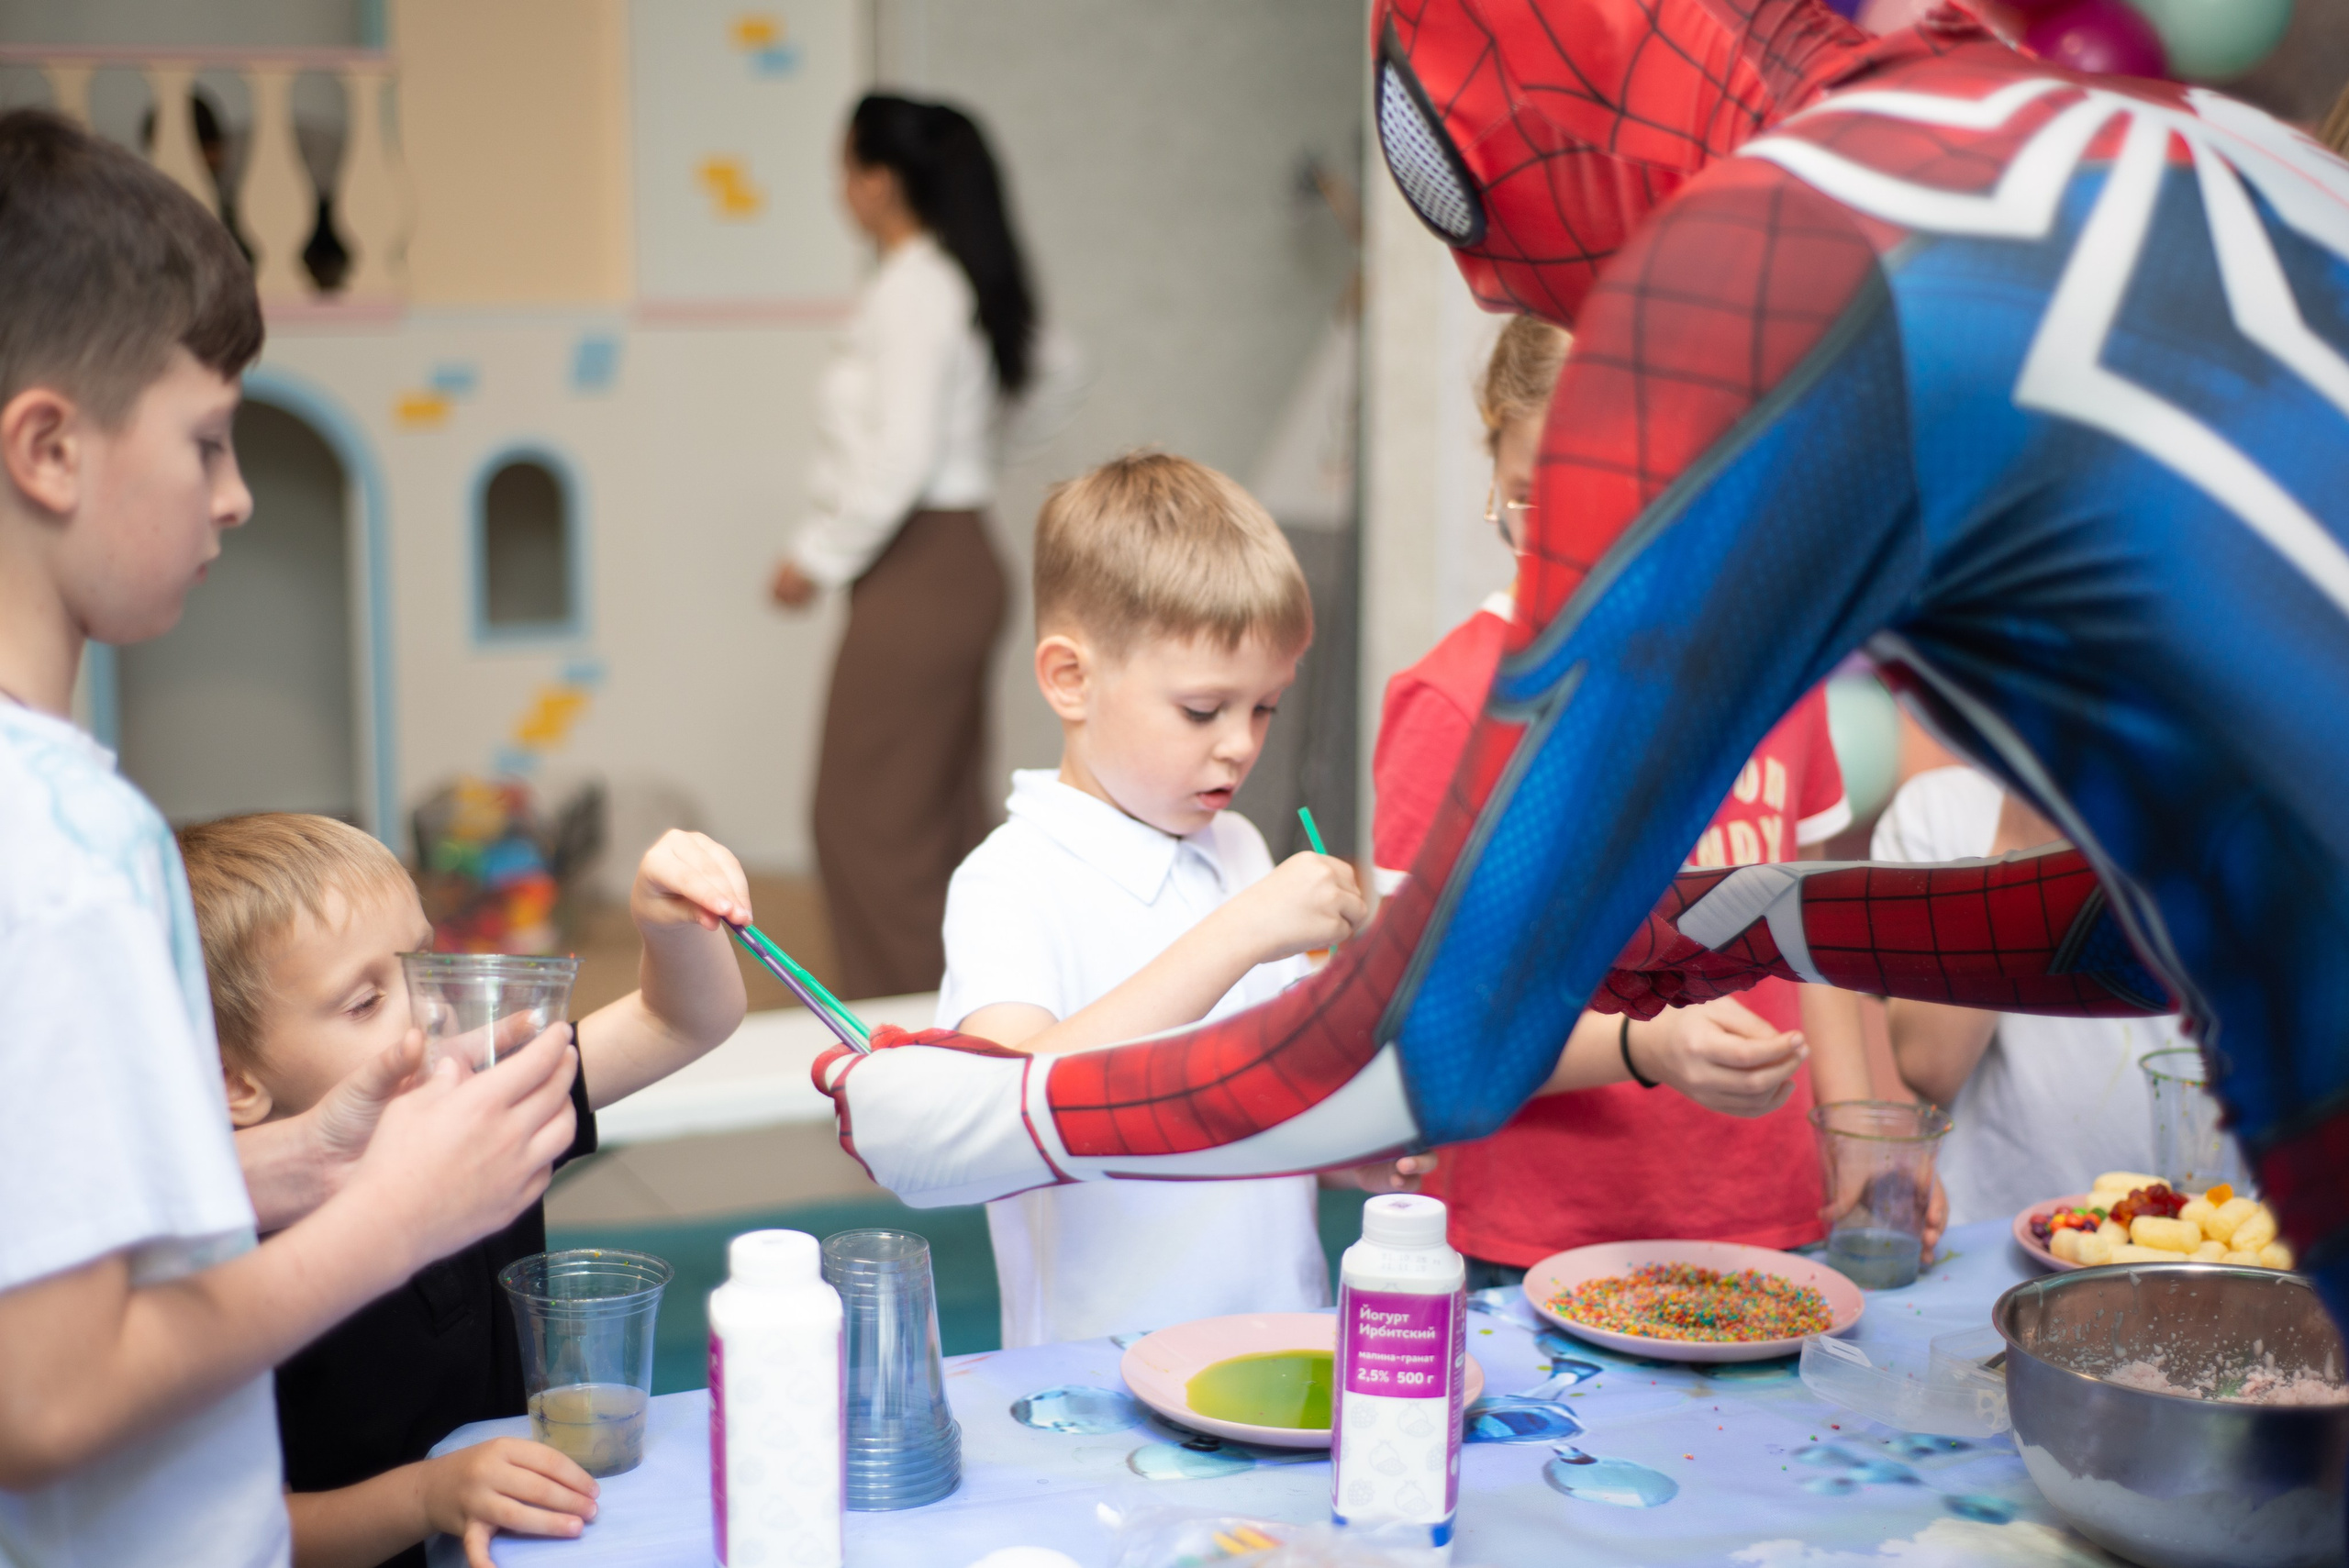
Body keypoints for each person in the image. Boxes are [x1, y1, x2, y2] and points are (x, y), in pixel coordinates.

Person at [0, 107, 576, 1567]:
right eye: (203, 441)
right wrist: (392, 1220)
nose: (237, 494)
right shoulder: (63, 850)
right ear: (51, 449)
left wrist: (289, 1167)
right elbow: (50, 1396)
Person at [1372, 317, 1898, 1285]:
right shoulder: (1455, 704)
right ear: (1497, 467)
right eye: (1543, 497)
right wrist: (1648, 1046)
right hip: (1536, 1231)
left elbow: (1811, 917)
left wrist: (1858, 1120)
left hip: (1765, 1210)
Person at [181, 815, 753, 1568]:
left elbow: (683, 1018)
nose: (431, 1006)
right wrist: (427, 1497)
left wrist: (672, 921)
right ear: (236, 1081)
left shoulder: (483, 1106)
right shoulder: (217, 1261)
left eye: (425, 962)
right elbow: (249, 1532)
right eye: (364, 1001)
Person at [933, 451, 1404, 1346]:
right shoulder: (1010, 880)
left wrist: (1350, 1149)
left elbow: (1249, 1104)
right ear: (1070, 678)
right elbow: (994, 1117)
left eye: (1265, 707)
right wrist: (1235, 935)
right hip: (1100, 1382)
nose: (1240, 745)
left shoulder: (1238, 847)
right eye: (1202, 709)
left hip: (1277, 1340)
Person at [770, 93, 1074, 1001]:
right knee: (937, 820)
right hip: (951, 561)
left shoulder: (914, 289)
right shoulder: (952, 279)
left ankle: (903, 1038)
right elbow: (1057, 366)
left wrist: (814, 553)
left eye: (848, 169)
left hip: (917, 565)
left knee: (864, 822)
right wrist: (976, 446)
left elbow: (899, 457)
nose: (841, 190)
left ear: (883, 181)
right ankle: (968, 1017)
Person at [1872, 767, 2179, 1226]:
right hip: (1992, 1237)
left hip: (2200, 1234)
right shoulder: (1936, 812)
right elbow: (1927, 1064)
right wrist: (2019, 835)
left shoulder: (2232, 823)